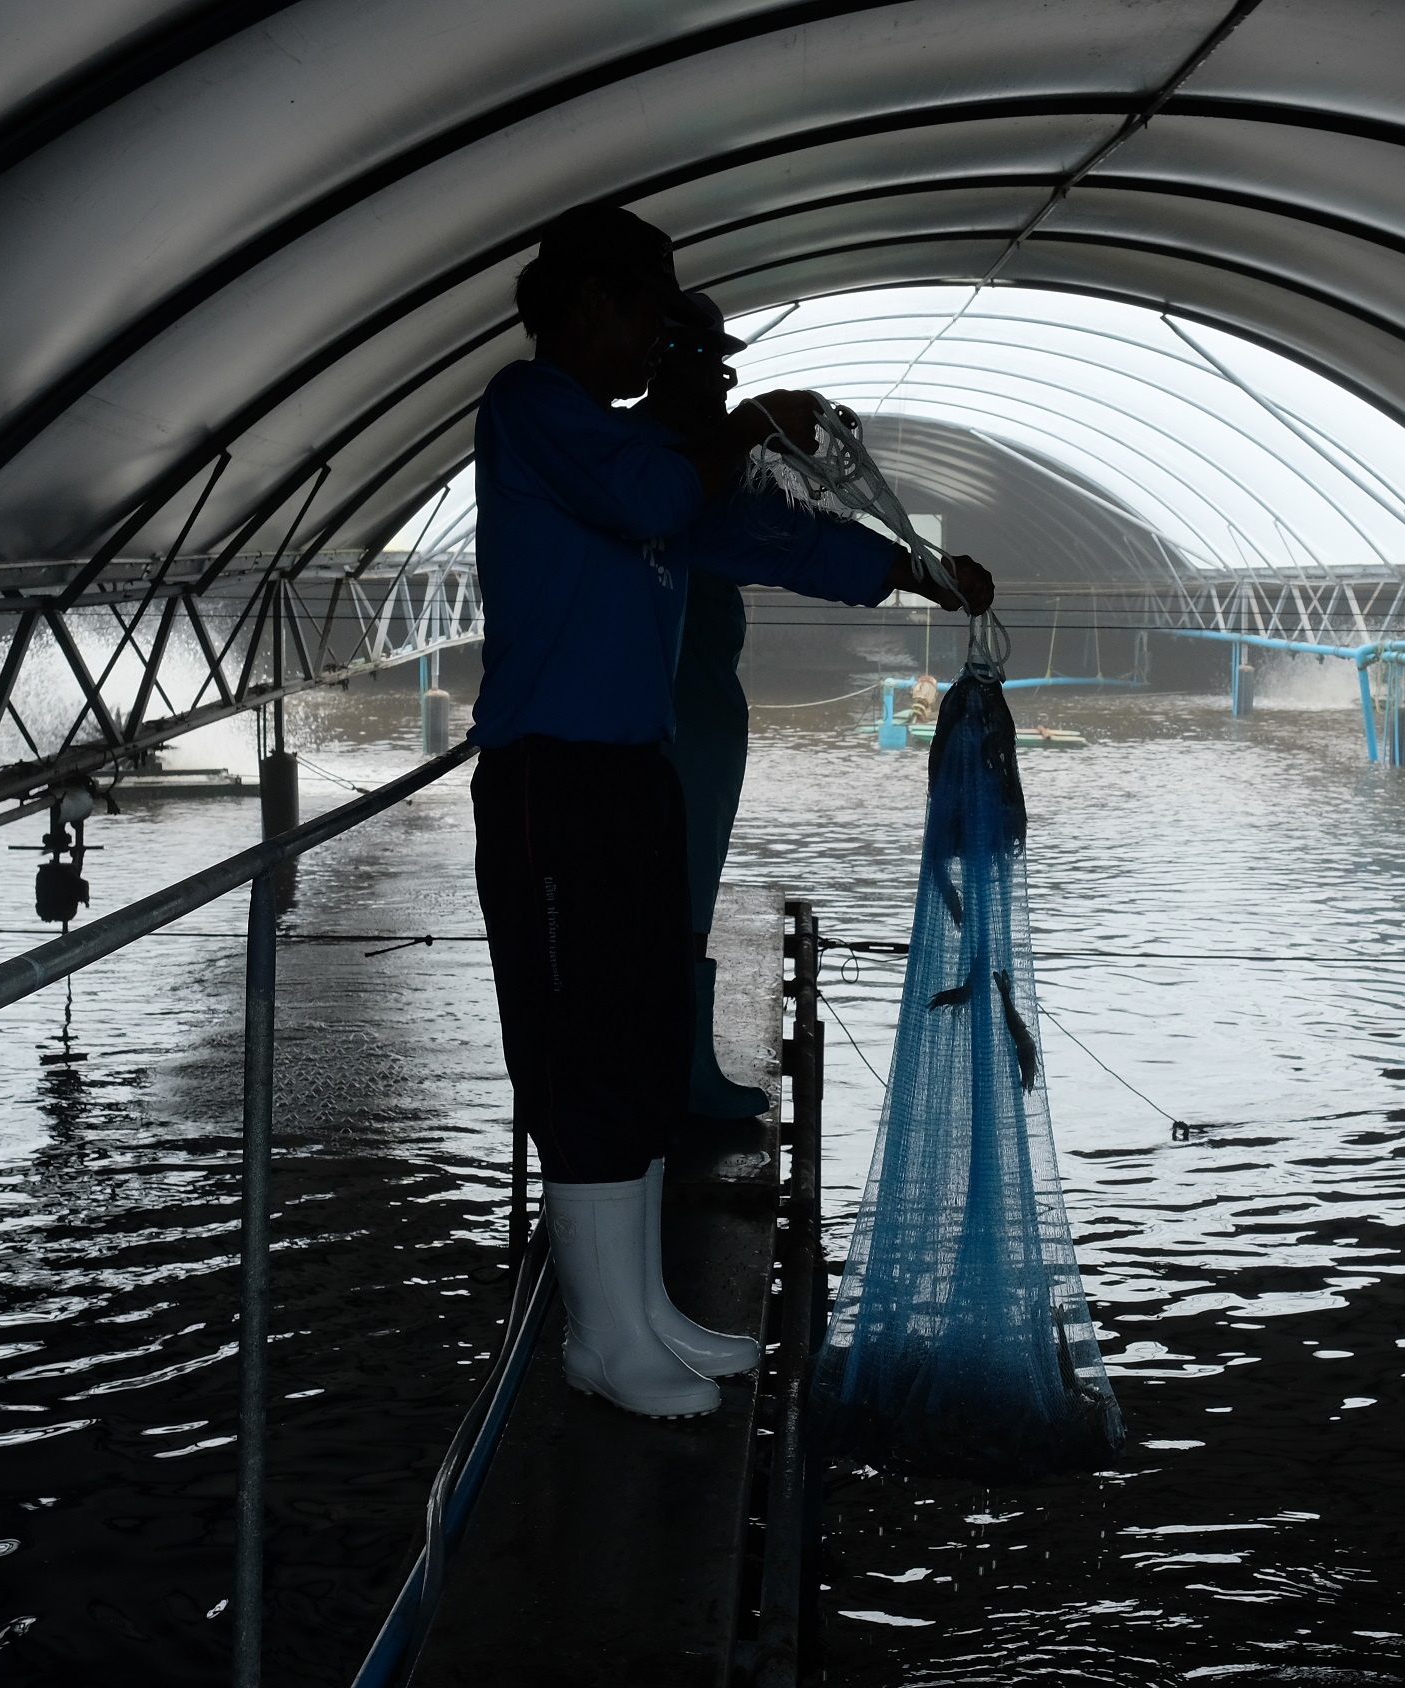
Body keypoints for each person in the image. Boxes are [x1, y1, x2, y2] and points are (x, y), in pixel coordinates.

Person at [468, 206, 975, 1420]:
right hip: (553, 779)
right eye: (651, 320)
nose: (661, 349)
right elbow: (659, 499)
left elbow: (764, 531)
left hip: (630, 772)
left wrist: (916, 570)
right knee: (581, 1049)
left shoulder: (650, 458)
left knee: (637, 1039)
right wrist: (735, 418)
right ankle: (600, 1339)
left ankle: (641, 1313)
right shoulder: (535, 415)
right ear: (585, 307)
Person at [636, 293, 993, 1123]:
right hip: (665, 728)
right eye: (701, 367)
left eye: (722, 371)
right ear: (655, 363)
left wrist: (919, 573)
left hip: (695, 724)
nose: (717, 387)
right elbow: (774, 537)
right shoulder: (658, 469)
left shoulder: (697, 462)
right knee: (661, 897)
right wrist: (912, 574)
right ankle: (665, 1085)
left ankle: (670, 1070)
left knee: (678, 897)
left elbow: (787, 530)